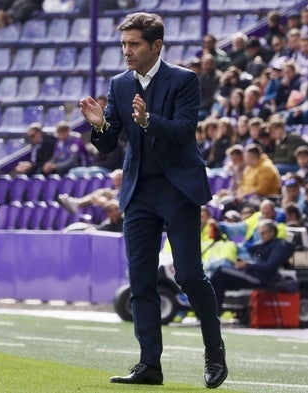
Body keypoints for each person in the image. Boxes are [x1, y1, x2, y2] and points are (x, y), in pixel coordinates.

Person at [79, 12, 227, 388]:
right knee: (141, 281)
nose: (126, 51)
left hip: (178, 189)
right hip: (139, 192)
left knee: (190, 275)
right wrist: (99, 126)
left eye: (134, 44)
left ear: (156, 46)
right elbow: (110, 144)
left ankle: (214, 350)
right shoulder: (118, 84)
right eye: (124, 44)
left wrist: (147, 121)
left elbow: (182, 133)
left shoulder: (184, 79)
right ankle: (149, 366)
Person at [209, 219, 293, 315]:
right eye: (260, 233)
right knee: (219, 281)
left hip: (259, 278)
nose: (260, 236)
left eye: (263, 233)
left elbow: (269, 268)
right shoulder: (263, 244)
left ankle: (203, 305)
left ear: (272, 232)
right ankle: (213, 315)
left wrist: (247, 264)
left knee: (221, 270)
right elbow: (246, 250)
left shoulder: (279, 246)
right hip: (250, 273)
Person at [58, 168, 123, 213]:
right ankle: (77, 203)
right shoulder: (113, 193)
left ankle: (77, 204)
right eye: (116, 180)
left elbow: (119, 208)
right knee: (101, 193)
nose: (118, 183)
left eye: (120, 179)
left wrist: (105, 203)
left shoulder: (128, 193)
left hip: (121, 218)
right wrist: (98, 200)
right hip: (111, 214)